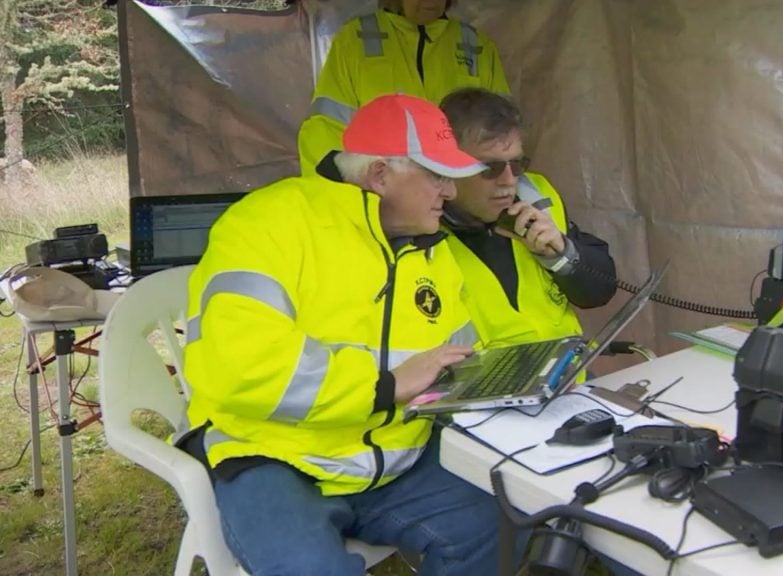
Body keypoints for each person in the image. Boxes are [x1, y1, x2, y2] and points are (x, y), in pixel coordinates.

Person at [180, 94, 502, 576]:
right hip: (272, 456)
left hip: (397, 454)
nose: (451, 193)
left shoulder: (433, 249)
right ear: (379, 176)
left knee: (499, 522)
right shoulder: (266, 224)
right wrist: (387, 386)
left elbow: (454, 355)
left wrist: (500, 384)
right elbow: (242, 368)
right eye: (437, 175)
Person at [438, 87, 618, 349]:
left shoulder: (535, 197)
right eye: (490, 168)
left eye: (516, 165)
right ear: (447, 166)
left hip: (568, 376)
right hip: (486, 387)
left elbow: (600, 292)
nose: (509, 181)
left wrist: (561, 254)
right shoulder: (421, 230)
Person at [298, 0, 510, 176]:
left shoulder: (476, 46)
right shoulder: (355, 40)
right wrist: (350, 193)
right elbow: (327, 128)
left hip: (462, 191)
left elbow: (504, 132)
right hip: (383, 192)